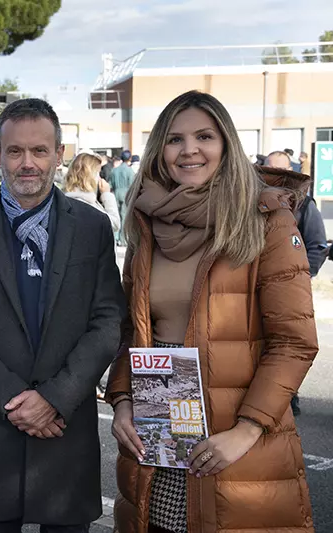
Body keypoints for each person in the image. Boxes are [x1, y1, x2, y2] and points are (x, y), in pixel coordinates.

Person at [106, 90, 317, 533]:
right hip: (158, 434)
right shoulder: (146, 225)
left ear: (227, 144)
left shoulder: (267, 221)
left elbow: (294, 342)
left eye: (205, 136)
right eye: (174, 139)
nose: (189, 150)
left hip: (236, 439)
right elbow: (130, 330)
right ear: (159, 151)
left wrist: (246, 431)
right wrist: (122, 400)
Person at [0, 98, 125, 533]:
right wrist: (14, 400)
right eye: (15, 151)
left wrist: (55, 398)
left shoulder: (91, 227)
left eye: (40, 151)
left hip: (65, 426)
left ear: (60, 155)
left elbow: (107, 321)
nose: (27, 163)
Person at [264, 150, 326, 416]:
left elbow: (318, 246)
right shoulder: (250, 203)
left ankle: (290, 399)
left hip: (290, 291)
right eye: (271, 170)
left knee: (289, 343)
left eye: (283, 172)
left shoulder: (304, 205)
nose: (277, 177)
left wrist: (298, 276)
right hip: (258, 290)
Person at [62, 152, 121, 233]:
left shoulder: (70, 199)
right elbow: (114, 224)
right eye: (98, 173)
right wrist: (107, 194)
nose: (100, 178)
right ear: (89, 175)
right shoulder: (83, 203)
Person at [109, 150, 136, 244]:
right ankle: (123, 239)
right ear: (129, 158)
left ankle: (115, 238)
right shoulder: (130, 171)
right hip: (126, 193)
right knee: (124, 216)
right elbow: (133, 185)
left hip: (116, 193)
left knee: (116, 216)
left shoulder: (114, 170)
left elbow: (110, 184)